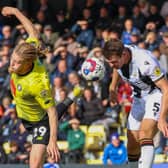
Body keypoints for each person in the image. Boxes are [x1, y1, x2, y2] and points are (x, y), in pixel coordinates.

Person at [1, 6, 82, 168]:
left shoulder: (38, 83)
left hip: (39, 123)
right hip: (24, 116)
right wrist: (16, 12)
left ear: (28, 63)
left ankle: (73, 95)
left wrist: (53, 141)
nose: (12, 64)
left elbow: (51, 112)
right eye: (12, 59)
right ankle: (73, 96)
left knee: (34, 166)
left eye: (17, 63)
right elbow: (33, 33)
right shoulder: (27, 51)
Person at [103, 39, 168, 168]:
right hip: (138, 98)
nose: (112, 66)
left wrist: (162, 117)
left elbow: (166, 88)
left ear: (124, 55)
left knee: (145, 134)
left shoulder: (145, 61)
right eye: (109, 62)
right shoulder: (119, 55)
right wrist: (113, 87)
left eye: (114, 62)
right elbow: (117, 68)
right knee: (132, 142)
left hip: (156, 94)